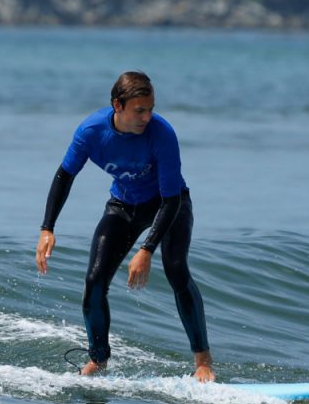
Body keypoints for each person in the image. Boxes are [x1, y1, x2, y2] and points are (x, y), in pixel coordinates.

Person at [35, 71, 215, 382]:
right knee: (94, 281)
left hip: (167, 204)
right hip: (123, 205)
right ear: (117, 105)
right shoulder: (91, 131)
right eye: (139, 110)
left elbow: (171, 201)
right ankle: (98, 360)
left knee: (175, 268)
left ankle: (203, 361)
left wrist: (146, 249)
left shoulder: (162, 134)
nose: (147, 117)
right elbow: (65, 175)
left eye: (151, 109)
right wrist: (47, 227)